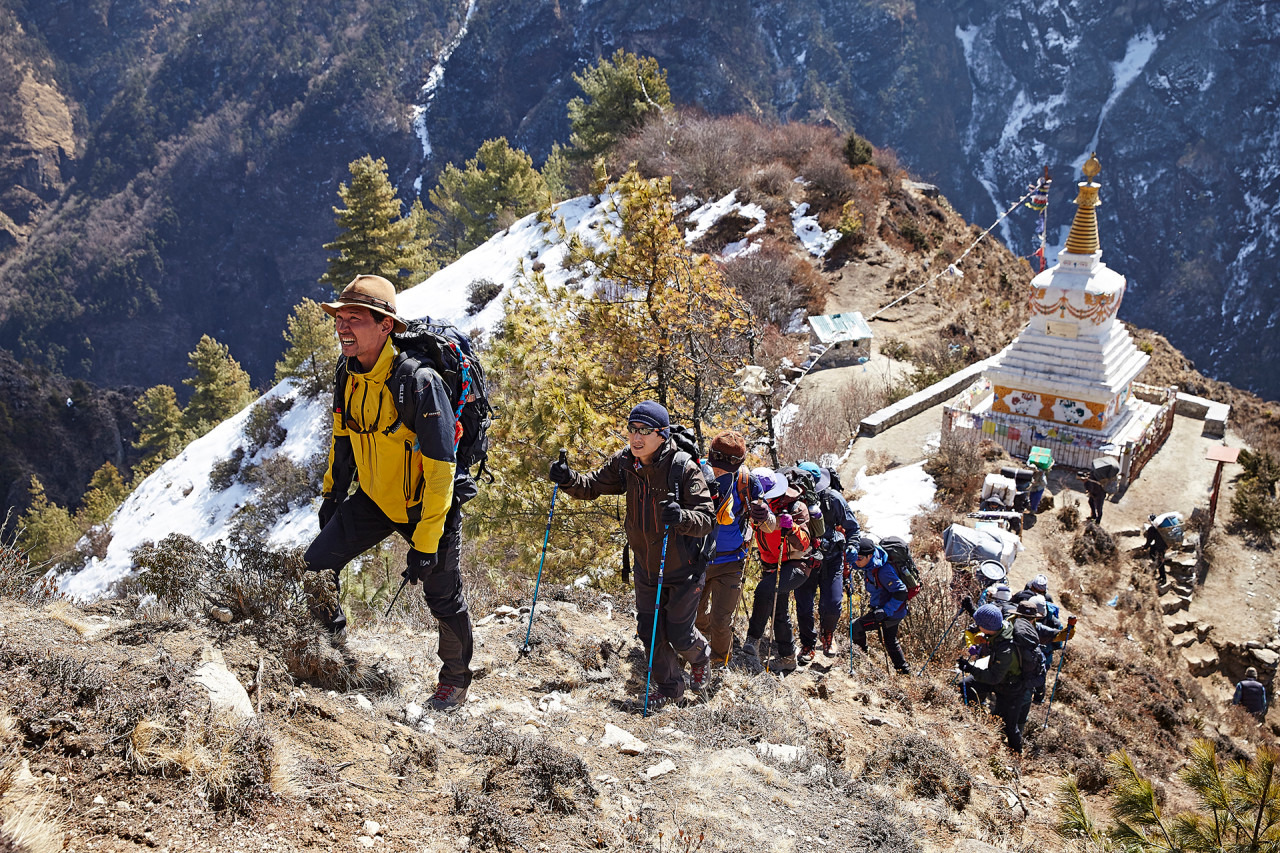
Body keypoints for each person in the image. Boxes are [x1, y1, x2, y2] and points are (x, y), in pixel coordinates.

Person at [306, 275, 474, 710]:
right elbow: (342, 439)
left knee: (442, 594)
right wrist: (332, 495)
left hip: (426, 505)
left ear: (385, 326)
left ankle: (454, 681)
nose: (343, 327)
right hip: (375, 499)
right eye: (339, 318)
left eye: (355, 319)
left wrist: (425, 542)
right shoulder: (348, 373)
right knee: (315, 566)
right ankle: (332, 654)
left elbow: (441, 470)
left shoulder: (418, 382)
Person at [549, 400, 714, 709]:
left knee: (678, 634)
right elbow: (594, 485)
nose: (636, 438)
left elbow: (706, 519)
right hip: (646, 566)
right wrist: (568, 478)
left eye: (645, 431)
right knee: (650, 632)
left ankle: (700, 655)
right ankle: (670, 689)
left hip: (684, 568)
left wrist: (681, 518)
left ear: (662, 434)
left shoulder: (683, 468)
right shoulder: (625, 463)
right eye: (632, 430)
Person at [695, 431, 760, 668]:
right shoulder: (696, 470)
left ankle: (719, 663)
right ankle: (697, 654)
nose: (720, 470)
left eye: (727, 467)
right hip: (698, 558)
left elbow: (768, 522)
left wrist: (764, 516)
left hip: (731, 561)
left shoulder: (747, 482)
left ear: (740, 464)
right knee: (696, 614)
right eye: (717, 463)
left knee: (722, 620)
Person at [743, 468, 813, 673]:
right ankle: (788, 657)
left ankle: (752, 640)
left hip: (796, 564)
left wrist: (791, 528)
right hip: (770, 565)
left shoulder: (796, 507)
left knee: (765, 590)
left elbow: (805, 544)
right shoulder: (754, 505)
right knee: (779, 611)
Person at [793, 462, 859, 661]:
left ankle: (827, 635)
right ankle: (807, 644)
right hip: (805, 558)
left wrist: (853, 545)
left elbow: (852, 526)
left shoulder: (833, 498)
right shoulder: (792, 497)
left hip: (832, 558)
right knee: (803, 605)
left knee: (832, 603)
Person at [957, 603, 1040, 753]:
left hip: (1013, 689)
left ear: (986, 627)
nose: (977, 626)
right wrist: (971, 609)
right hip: (1001, 679)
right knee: (966, 685)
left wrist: (970, 668)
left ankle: (1017, 756)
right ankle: (970, 718)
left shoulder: (1005, 649)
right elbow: (987, 619)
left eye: (978, 624)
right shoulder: (1001, 626)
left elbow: (993, 678)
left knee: (1009, 726)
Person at [847, 536, 911, 674]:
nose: (856, 562)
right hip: (885, 609)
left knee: (855, 627)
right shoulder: (870, 564)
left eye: (859, 559)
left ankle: (862, 659)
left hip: (891, 612)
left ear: (869, 556)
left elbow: (901, 592)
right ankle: (903, 671)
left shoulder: (883, 571)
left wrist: (885, 611)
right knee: (889, 640)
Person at [1144, 515, 1170, 583]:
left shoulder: (1152, 529)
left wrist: (1145, 547)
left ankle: (1163, 578)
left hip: (1160, 547)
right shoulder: (1161, 528)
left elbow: (1149, 540)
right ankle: (1159, 573)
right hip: (1163, 546)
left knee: (1160, 562)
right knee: (1153, 551)